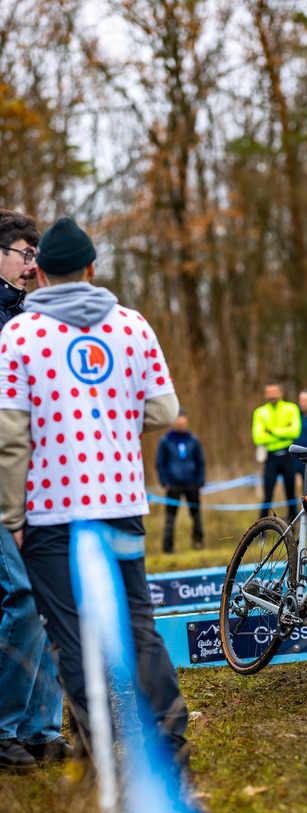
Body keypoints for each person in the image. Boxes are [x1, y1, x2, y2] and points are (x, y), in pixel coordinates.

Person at [0, 216, 189, 765]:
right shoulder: (132, 325)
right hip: (121, 500)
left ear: (42, 273)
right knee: (138, 625)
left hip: (50, 509)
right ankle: (170, 736)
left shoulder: (21, 334)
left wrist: (12, 516)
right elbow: (165, 411)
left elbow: (11, 437)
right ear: (90, 268)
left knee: (69, 633)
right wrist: (111, 416)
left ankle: (95, 742)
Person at [0, 210, 69, 772]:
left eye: (35, 255)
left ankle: (39, 729)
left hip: (39, 474)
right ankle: (3, 728)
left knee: (47, 595)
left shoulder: (28, 314)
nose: (32, 264)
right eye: (24, 253)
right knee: (22, 595)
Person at [156, 407, 205, 553]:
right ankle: (168, 546)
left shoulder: (193, 440)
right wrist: (164, 482)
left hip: (192, 484)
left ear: (186, 420)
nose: (180, 421)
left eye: (182, 418)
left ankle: (198, 541)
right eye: (177, 418)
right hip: (173, 485)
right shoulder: (165, 441)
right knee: (170, 517)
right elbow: (160, 463)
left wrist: (200, 481)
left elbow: (200, 462)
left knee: (196, 515)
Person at [252, 382, 301, 522]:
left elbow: (295, 432)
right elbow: (258, 437)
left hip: (288, 455)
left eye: (274, 392)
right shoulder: (260, 412)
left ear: (281, 393)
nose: (271, 395)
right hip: (270, 457)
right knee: (267, 495)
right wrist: (284, 432)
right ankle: (261, 527)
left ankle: (293, 524)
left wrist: (271, 431)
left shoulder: (291, 408)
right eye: (269, 392)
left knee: (290, 493)